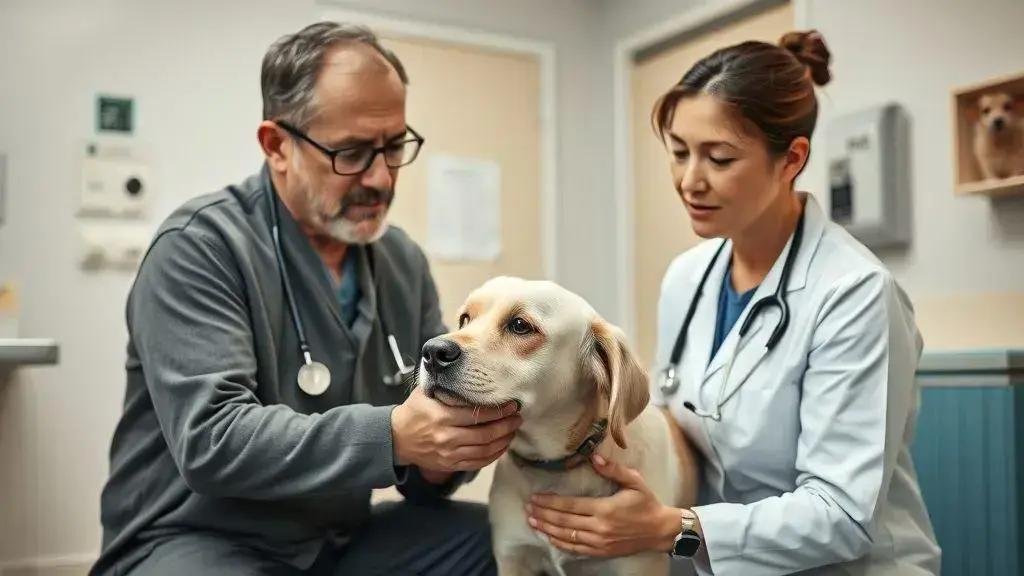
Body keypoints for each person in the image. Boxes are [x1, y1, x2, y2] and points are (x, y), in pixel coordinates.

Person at [91, 22, 522, 576]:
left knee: (507, 543)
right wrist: (394, 436)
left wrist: (450, 448)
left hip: (337, 540)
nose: (381, 178)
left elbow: (421, 466)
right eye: (351, 153)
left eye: (394, 147)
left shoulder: (400, 262)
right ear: (277, 146)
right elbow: (213, 441)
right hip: (194, 540)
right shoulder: (199, 247)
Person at [525, 31, 941, 575]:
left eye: (719, 158)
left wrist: (669, 527)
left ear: (791, 159)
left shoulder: (855, 294)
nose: (688, 180)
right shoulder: (687, 278)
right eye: (678, 152)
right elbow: (679, 424)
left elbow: (843, 514)